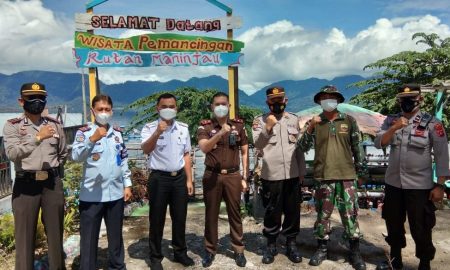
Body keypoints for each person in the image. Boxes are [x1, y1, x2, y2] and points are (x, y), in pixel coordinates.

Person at [374, 84, 450, 270]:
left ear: (420, 99)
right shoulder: (390, 121)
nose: (406, 102)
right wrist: (394, 128)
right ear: (398, 100)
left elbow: (442, 155)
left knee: (421, 227)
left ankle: (424, 263)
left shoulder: (433, 123)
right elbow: (378, 142)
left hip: (420, 187)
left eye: (411, 99)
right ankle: (395, 259)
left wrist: (440, 186)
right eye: (402, 99)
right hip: (394, 184)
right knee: (393, 223)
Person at [297, 85, 367, 270]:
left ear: (337, 100)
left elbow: (357, 148)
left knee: (350, 215)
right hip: (323, 176)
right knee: (322, 215)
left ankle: (354, 251)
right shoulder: (314, 122)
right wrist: (311, 126)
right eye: (325, 97)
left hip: (347, 177)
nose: (328, 99)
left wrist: (361, 173)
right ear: (320, 101)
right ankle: (321, 249)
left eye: (332, 96)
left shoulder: (349, 121)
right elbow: (301, 148)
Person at [3, 82, 67, 270]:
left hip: (51, 184)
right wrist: (38, 138)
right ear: (21, 101)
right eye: (32, 98)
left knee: (56, 235)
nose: (37, 102)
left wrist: (53, 171)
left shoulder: (55, 125)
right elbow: (12, 154)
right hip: (26, 185)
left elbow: (62, 153)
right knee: (24, 237)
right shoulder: (13, 126)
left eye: (41, 98)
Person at [71, 94, 132, 270]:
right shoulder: (84, 133)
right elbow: (76, 156)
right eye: (100, 109)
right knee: (89, 239)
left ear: (111, 111)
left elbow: (123, 159)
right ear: (93, 111)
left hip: (115, 194)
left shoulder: (118, 133)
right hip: (92, 195)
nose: (104, 113)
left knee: (115, 237)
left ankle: (117, 266)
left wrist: (127, 183)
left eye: (107, 109)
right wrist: (92, 139)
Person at [252, 86, 305, 264]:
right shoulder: (259, 121)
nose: (276, 103)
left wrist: (302, 172)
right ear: (268, 102)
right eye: (273, 100)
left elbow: (299, 150)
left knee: (292, 212)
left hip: (292, 174)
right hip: (270, 175)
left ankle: (291, 244)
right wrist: (267, 127)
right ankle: (271, 245)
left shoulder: (294, 120)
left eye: (279, 100)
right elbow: (257, 144)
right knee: (272, 212)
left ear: (285, 101)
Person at [140, 93, 194, 270]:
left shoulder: (183, 128)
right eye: (164, 106)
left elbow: (186, 154)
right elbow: (146, 150)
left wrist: (189, 180)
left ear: (176, 109)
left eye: (172, 106)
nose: (168, 109)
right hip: (158, 179)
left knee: (180, 217)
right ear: (158, 108)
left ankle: (180, 252)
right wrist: (157, 132)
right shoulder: (149, 128)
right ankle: (155, 257)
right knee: (156, 219)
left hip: (178, 178)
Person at [196, 92, 248, 268]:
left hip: (233, 175)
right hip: (212, 175)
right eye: (217, 104)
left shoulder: (239, 126)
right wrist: (219, 134)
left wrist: (245, 177)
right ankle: (210, 250)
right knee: (211, 214)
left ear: (229, 106)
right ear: (212, 107)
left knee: (235, 213)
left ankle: (238, 250)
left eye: (223, 104)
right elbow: (204, 147)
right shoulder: (205, 126)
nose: (220, 107)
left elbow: (245, 151)